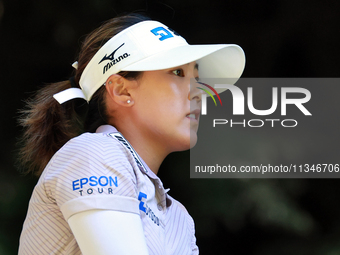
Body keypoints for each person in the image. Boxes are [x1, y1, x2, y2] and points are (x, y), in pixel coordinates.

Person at [17, 13, 245, 255]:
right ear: (121, 89)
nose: (199, 92)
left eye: (197, 78)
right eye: (178, 73)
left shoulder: (179, 219)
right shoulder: (95, 153)